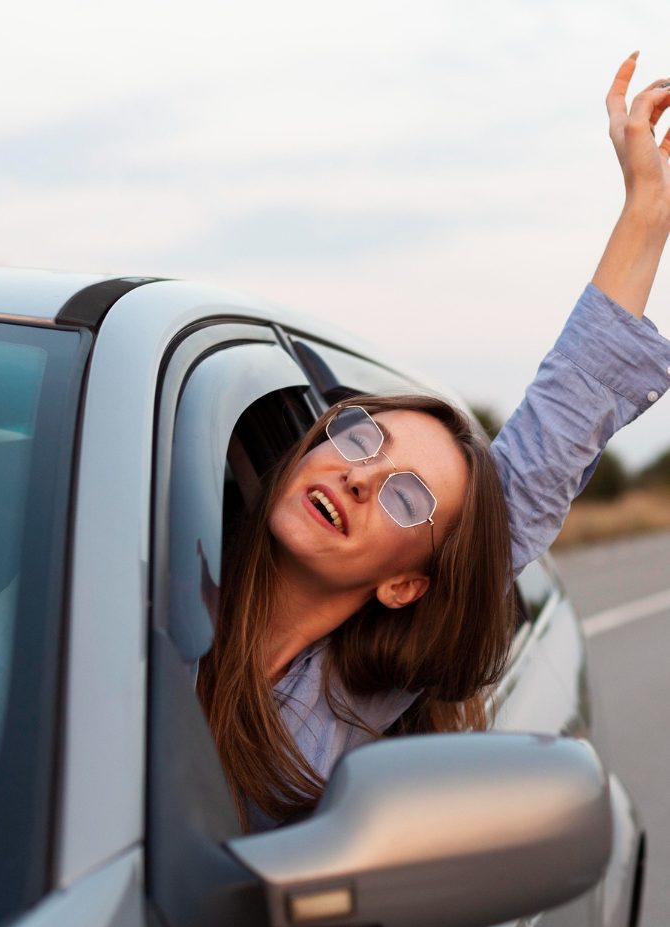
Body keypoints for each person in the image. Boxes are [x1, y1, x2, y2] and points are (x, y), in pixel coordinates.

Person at [199, 53, 670, 831]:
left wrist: (647, 212)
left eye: (406, 495)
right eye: (361, 441)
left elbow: (533, 466)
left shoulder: (352, 700)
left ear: (406, 586)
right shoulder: (130, 598)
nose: (360, 478)